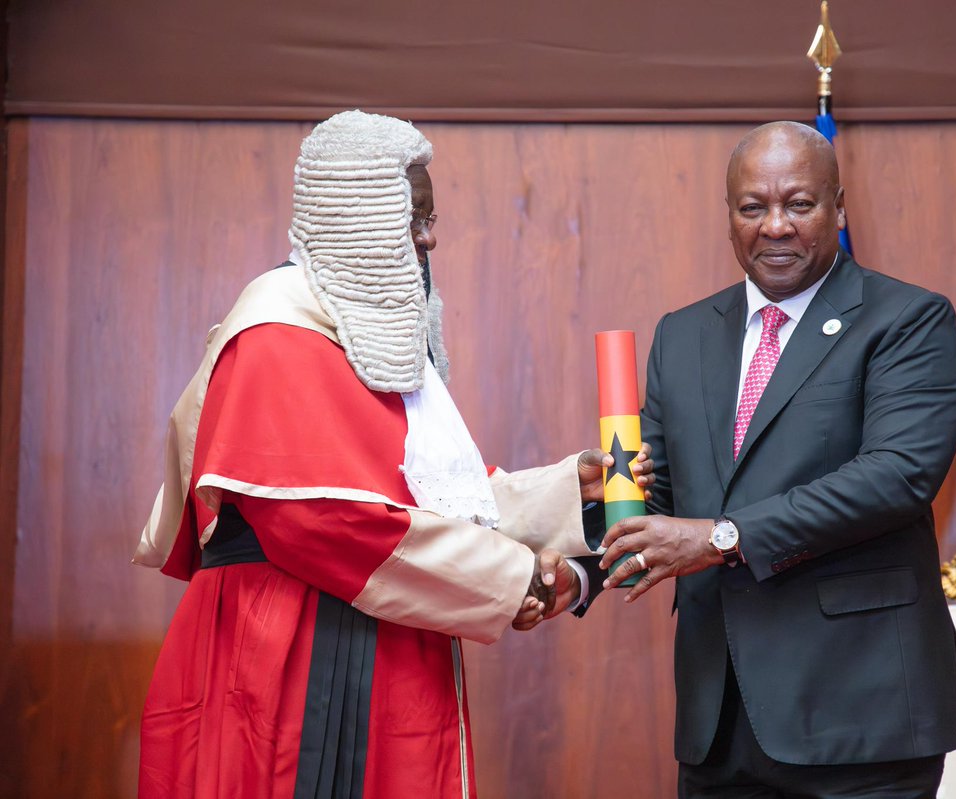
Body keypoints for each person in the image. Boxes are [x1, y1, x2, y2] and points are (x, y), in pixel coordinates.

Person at [133, 110, 648, 798]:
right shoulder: (275, 332)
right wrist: (515, 576)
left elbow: (431, 493)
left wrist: (570, 489)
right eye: (415, 219)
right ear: (359, 217)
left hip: (381, 628)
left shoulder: (357, 328)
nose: (431, 236)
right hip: (290, 653)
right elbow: (327, 520)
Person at [598, 121, 956, 798]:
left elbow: (897, 477)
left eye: (798, 204)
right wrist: (603, 492)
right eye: (753, 207)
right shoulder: (682, 333)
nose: (775, 226)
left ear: (839, 208)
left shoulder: (908, 319)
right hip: (719, 724)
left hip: (861, 715)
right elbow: (660, 506)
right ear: (730, 218)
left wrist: (723, 537)